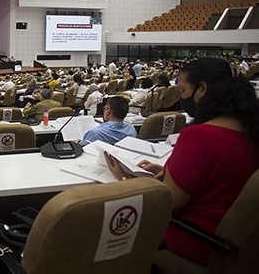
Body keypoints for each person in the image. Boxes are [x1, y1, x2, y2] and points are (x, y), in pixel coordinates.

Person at [105, 58, 259, 266]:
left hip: (194, 240)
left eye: (183, 90)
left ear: (202, 88)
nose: (182, 97)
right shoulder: (250, 132)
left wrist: (125, 178)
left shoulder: (200, 136)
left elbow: (167, 203)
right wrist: (172, 171)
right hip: (235, 248)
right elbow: (221, 179)